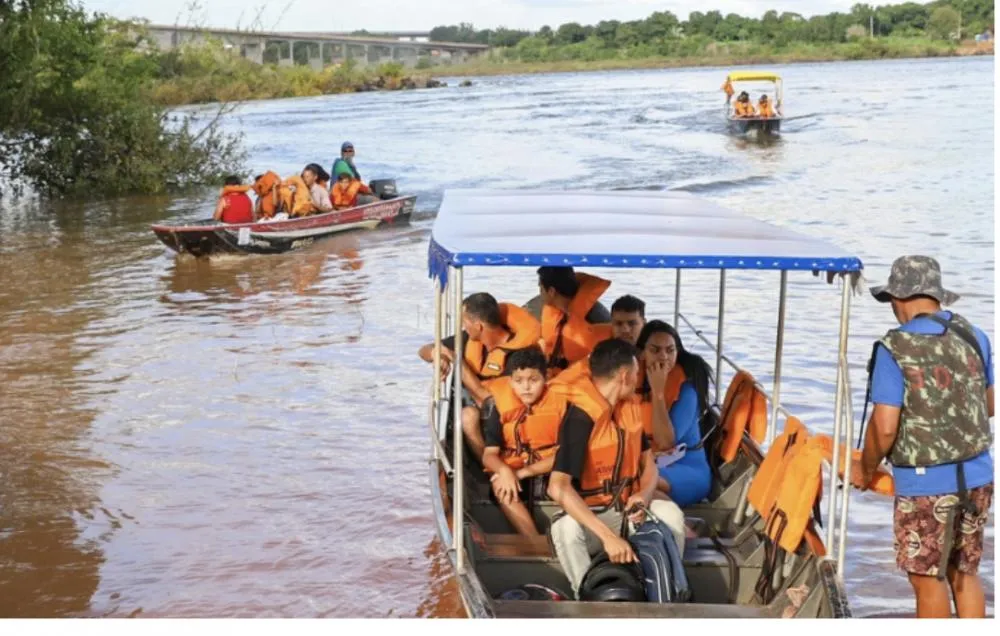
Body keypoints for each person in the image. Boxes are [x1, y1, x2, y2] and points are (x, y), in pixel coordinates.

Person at [851, 255, 993, 619]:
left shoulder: (894, 347)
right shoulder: (974, 335)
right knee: (964, 574)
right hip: (978, 476)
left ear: (898, 299)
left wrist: (865, 470)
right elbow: (988, 406)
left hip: (925, 483)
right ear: (937, 296)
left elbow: (884, 427)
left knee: (926, 581)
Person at [547, 338, 687, 599]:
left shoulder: (629, 410)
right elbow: (558, 487)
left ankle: (668, 596)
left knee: (670, 513)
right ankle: (587, 600)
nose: (638, 379)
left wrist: (644, 495)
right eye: (636, 373)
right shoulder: (580, 417)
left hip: (630, 512)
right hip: (593, 518)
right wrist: (608, 537)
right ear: (624, 375)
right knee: (564, 529)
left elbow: (650, 466)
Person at [417, 292, 541, 461]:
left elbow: (487, 400)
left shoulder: (519, 356)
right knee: (466, 416)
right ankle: (488, 467)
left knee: (468, 417)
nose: (463, 326)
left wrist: (458, 362)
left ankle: (493, 470)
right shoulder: (470, 339)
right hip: (482, 416)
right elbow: (423, 350)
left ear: (478, 326)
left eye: (465, 322)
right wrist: (437, 353)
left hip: (508, 418)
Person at [481, 347, 573, 537]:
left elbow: (567, 454)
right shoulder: (498, 405)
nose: (526, 387)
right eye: (519, 381)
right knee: (500, 484)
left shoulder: (563, 404)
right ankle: (533, 540)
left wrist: (521, 473)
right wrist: (505, 471)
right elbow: (489, 455)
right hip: (515, 466)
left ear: (546, 378)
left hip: (552, 468)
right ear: (510, 382)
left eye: (533, 380)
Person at [635, 320, 713, 507]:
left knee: (639, 484)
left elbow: (665, 443)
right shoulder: (632, 379)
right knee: (623, 480)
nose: (663, 357)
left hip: (686, 469)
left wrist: (658, 392)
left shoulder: (687, 390)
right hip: (647, 463)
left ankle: (686, 529)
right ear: (642, 353)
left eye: (670, 350)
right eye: (655, 350)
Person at [536, 266, 613, 375]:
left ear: (551, 291)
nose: (540, 293)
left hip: (582, 380)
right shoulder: (552, 313)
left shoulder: (594, 316)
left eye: (541, 288)